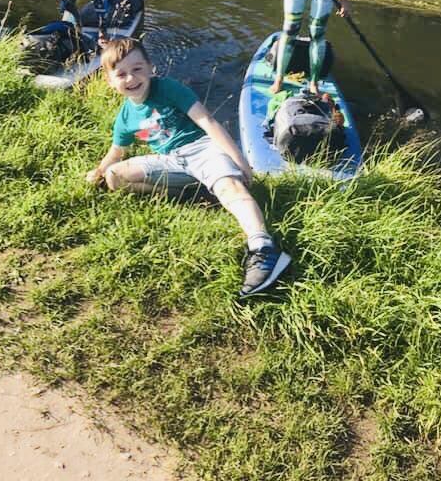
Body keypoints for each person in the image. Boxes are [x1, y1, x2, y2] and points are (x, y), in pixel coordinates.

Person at [86, 37, 292, 300]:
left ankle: (263, 248)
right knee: (115, 177)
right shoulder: (125, 117)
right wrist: (100, 170)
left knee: (231, 188)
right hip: (171, 159)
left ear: (150, 67)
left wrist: (240, 161)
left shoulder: (168, 88)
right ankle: (200, 193)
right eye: (121, 74)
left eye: (137, 69)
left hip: (203, 149)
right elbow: (117, 152)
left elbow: (208, 121)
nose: (131, 79)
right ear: (110, 81)